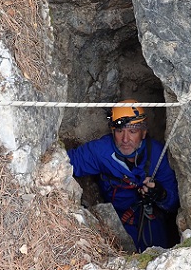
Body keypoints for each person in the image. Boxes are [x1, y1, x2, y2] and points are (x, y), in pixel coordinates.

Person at [67, 100, 179, 252]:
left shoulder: (157, 154)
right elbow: (65, 162)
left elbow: (174, 203)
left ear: (143, 132)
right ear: (113, 131)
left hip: (152, 221)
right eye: (120, 131)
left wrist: (160, 194)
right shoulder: (101, 151)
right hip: (117, 221)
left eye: (132, 131)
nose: (125, 139)